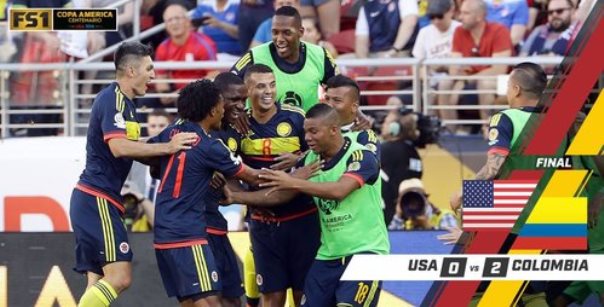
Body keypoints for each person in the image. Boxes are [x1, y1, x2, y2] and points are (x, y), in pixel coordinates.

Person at [69, 42, 198, 307]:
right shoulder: (113, 99)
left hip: (98, 199)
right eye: (149, 68)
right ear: (130, 70)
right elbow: (119, 147)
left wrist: (164, 152)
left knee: (97, 282)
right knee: (120, 276)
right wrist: (169, 146)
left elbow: (133, 149)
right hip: (97, 199)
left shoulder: (127, 104)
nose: (154, 75)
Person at [224, 103, 390, 307]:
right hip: (327, 256)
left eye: (314, 131)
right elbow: (281, 195)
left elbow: (339, 191)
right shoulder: (310, 160)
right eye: (305, 132)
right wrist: (235, 198)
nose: (308, 137)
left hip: (366, 252)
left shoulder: (361, 156)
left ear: (334, 130)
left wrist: (292, 180)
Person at [149, 79, 262, 306]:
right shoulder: (210, 145)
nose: (228, 109)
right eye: (224, 103)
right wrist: (296, 175)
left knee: (215, 300)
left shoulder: (172, 133)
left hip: (169, 232)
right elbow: (253, 176)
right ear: (212, 110)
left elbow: (152, 164)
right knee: (211, 303)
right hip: (188, 234)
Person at [448, 62, 553, 306]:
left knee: (476, 291)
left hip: (508, 213)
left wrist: (464, 192)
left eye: (507, 86)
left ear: (516, 90)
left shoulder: (505, 118)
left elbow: (495, 166)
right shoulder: (561, 121)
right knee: (534, 293)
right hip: (551, 213)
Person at [236, 64, 321, 307]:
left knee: (302, 295)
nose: (268, 91)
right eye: (261, 86)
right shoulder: (238, 125)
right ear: (247, 89)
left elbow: (321, 151)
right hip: (264, 223)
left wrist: (300, 158)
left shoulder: (295, 117)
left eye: (272, 85)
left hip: (302, 220)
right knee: (272, 297)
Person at [231, 6, 338, 112]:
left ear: (300, 32)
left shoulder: (319, 55)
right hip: (260, 129)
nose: (279, 39)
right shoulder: (255, 56)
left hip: (306, 128)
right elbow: (227, 85)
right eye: (275, 32)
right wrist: (238, 110)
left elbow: (340, 90)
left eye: (286, 33)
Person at [437, 0, 513, 135]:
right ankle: (452, 134)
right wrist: (460, 80)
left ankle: (489, 132)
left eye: (465, 13)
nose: (460, 17)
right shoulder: (459, 31)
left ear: (480, 16)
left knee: (484, 83)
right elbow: (454, 69)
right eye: (461, 12)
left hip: (505, 80)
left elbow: (498, 69)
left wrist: (465, 80)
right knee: (444, 83)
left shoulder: (499, 31)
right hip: (473, 78)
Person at [207, 72, 248, 307]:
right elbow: (156, 170)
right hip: (195, 229)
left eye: (244, 100)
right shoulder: (195, 126)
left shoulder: (237, 128)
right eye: (234, 100)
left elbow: (235, 179)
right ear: (217, 98)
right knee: (206, 300)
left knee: (233, 299)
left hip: (218, 225)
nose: (241, 106)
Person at [155, 1, 217, 106]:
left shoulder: (204, 44)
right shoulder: (162, 48)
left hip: (200, 94)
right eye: (169, 20)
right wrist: (165, 95)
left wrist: (185, 92)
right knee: (146, 102)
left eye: (177, 18)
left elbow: (214, 74)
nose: (174, 23)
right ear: (165, 25)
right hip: (175, 97)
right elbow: (160, 77)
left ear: (188, 21)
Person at [123, 108, 173, 232]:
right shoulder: (136, 157)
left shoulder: (177, 156)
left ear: (170, 127)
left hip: (169, 219)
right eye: (153, 125)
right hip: (139, 220)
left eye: (161, 125)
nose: (156, 130)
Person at [380, 108, 423, 225]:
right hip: (411, 212)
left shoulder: (385, 150)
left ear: (395, 127)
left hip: (387, 216)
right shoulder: (414, 153)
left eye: (386, 122)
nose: (382, 125)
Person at [324, 75, 380, 157]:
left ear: (354, 107)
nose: (329, 105)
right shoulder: (315, 130)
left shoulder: (364, 137)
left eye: (337, 100)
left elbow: (367, 168)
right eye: (327, 99)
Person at [354, 0, 419, 58]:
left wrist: (394, 50)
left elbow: (410, 22)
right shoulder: (366, 7)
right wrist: (364, 63)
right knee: (345, 61)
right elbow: (361, 40)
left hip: (403, 52)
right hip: (376, 54)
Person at [389, 178, 457, 230]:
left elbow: (451, 245)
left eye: (416, 200)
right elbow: (389, 243)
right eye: (408, 201)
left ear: (425, 199)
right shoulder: (404, 223)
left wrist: (429, 228)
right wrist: (398, 216)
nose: (413, 204)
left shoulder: (444, 216)